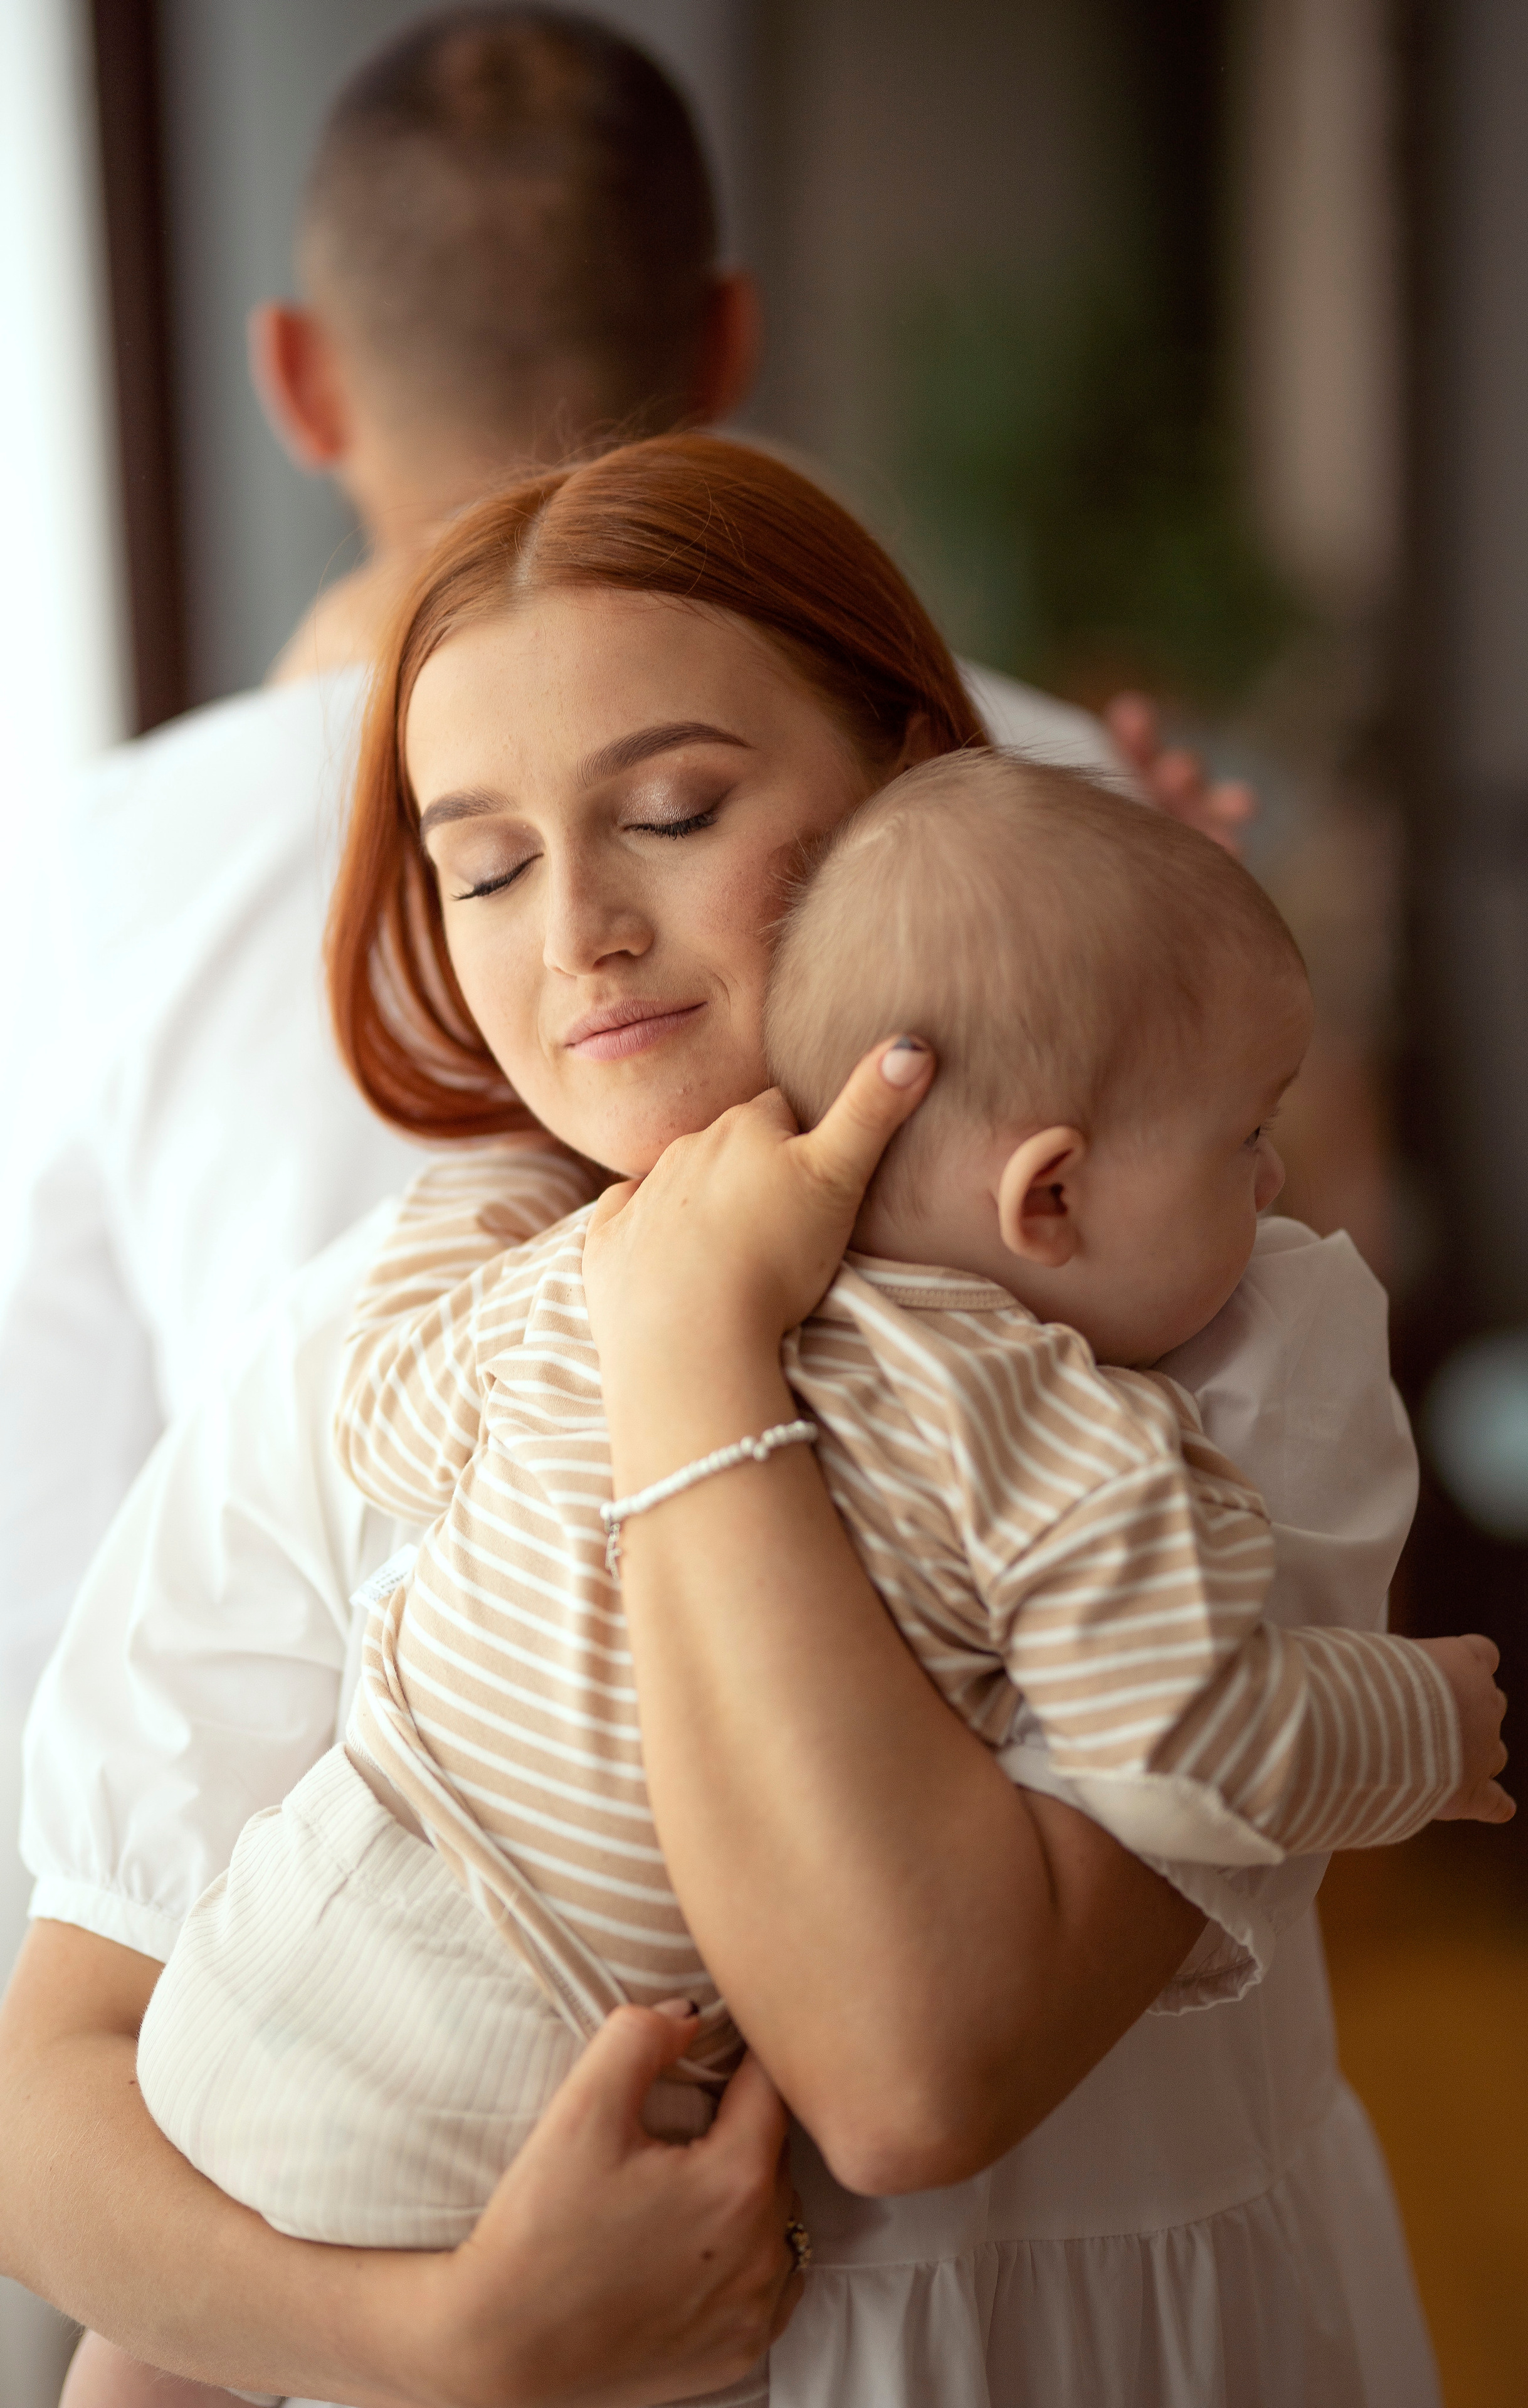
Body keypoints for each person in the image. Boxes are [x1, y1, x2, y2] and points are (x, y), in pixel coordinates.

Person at [6, 436, 1450, 2408]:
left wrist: (692, 1347)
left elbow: (912, 2070)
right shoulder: (399, 1320)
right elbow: (54, 2099)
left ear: (907, 780)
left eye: (673, 810)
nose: (577, 926)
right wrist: (452, 2342)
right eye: (488, 867)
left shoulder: (1206, 1319)